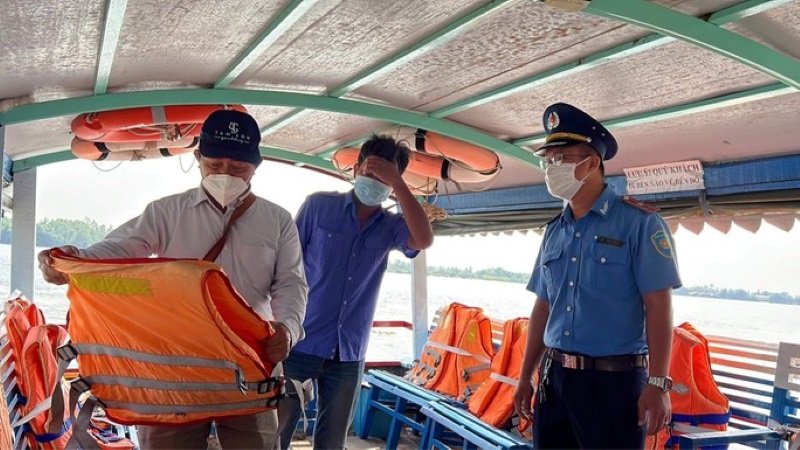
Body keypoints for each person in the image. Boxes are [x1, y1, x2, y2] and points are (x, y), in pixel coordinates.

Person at [37, 109, 308, 449]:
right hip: (175, 366)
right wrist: (71, 262)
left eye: (238, 168)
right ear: (198, 158)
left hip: (251, 362)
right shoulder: (166, 212)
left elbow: (290, 283)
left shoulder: (278, 221)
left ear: (256, 165)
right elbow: (120, 249)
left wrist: (287, 329)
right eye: (215, 164)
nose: (226, 174)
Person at [512, 103, 681, 449]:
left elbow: (659, 306)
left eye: (561, 158)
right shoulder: (554, 231)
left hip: (614, 382)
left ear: (591, 162)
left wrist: (659, 383)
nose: (551, 167)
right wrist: (525, 376)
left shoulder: (640, 224)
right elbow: (543, 307)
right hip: (554, 378)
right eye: (549, 160)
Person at [276, 134, 434, 449]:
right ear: (356, 168)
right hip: (300, 340)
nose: (375, 180)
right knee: (276, 429)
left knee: (333, 440)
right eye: (371, 171)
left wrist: (400, 187)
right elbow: (285, 263)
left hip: (348, 351)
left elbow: (424, 240)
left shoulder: (392, 226)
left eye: (385, 176)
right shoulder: (319, 206)